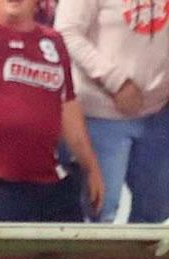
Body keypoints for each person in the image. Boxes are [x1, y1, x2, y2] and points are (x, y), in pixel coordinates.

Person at [0, 0, 105, 221]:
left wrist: (92, 169)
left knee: (69, 254)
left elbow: (68, 108)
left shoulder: (54, 42)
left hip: (50, 187)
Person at [55, 0, 169, 223]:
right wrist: (116, 81)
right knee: (101, 214)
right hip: (100, 114)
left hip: (159, 113)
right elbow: (66, 32)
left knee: (156, 213)